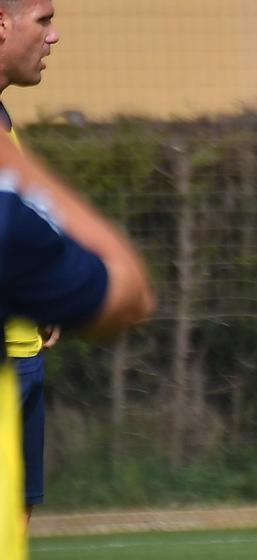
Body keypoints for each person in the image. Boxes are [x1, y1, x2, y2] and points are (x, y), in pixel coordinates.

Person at [0, 130, 155, 560]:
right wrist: (19, 169)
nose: (51, 38)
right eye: (37, 33)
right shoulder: (7, 210)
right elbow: (129, 290)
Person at [0, 0, 61, 526]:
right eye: (44, 20)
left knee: (14, 524)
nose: (54, 37)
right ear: (2, 26)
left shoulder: (2, 118)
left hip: (24, 353)